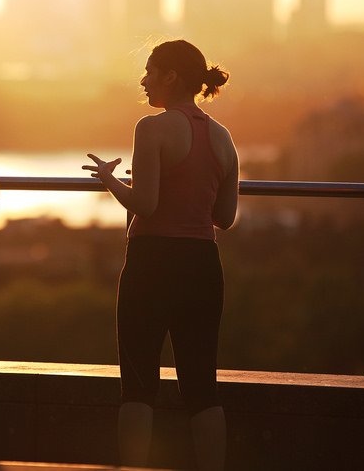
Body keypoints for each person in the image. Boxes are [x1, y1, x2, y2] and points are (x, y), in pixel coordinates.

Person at [83, 40, 238, 471]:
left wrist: (109, 181)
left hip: (152, 262)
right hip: (203, 265)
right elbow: (224, 216)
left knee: (137, 384)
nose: (144, 79)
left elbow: (146, 204)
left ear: (171, 76)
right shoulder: (224, 138)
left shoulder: (151, 128)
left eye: (150, 71)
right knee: (202, 386)